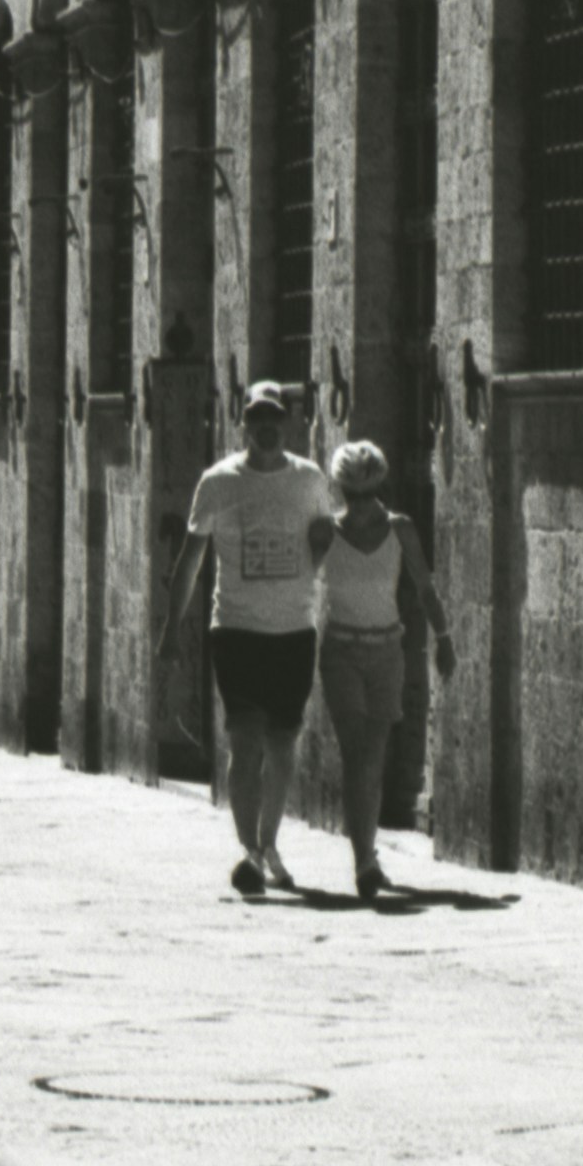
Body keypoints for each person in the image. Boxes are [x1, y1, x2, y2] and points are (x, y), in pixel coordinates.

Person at [162, 380, 326, 898]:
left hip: (294, 631)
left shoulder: (310, 480)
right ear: (244, 423)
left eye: (274, 415)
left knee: (282, 745)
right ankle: (250, 852)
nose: (267, 425)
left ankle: (268, 841)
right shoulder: (218, 482)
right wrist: (172, 630)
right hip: (235, 631)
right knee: (245, 739)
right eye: (257, 417)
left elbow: (328, 540)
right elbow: (190, 559)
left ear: (289, 421)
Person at [314, 438, 454, 903]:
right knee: (359, 756)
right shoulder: (324, 533)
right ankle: (364, 863)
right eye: (352, 494)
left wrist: (444, 638)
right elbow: (301, 585)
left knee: (372, 758)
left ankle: (367, 852)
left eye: (362, 492)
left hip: (386, 652)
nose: (357, 503)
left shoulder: (401, 530)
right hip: (341, 654)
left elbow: (425, 587)